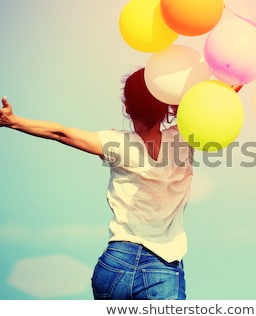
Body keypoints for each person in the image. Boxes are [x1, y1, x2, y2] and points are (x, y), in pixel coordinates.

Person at [0, 68, 193, 300]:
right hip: (161, 270)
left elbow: (60, 133)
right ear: (165, 106)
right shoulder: (184, 138)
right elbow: (211, 104)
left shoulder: (116, 143)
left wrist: (13, 121)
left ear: (127, 106)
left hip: (115, 265)